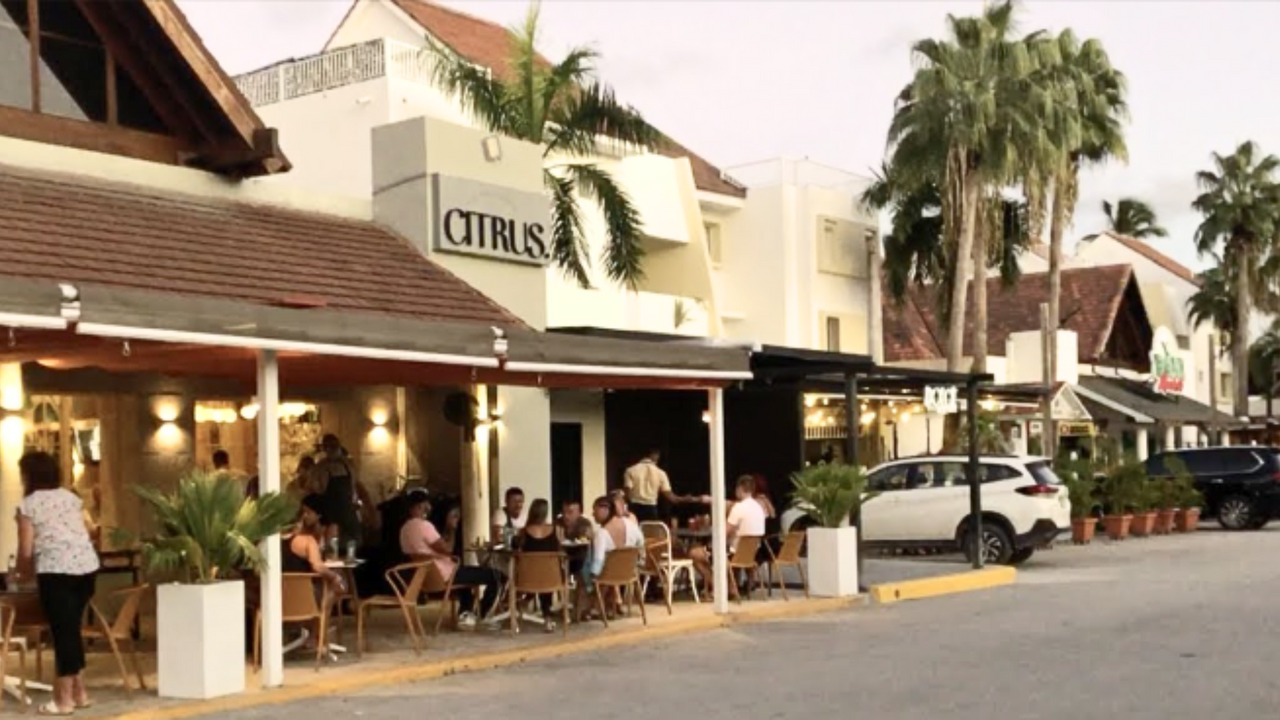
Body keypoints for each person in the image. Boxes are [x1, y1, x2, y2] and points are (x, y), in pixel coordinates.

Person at [13, 452, 99, 715]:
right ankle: (80, 693)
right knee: (70, 629)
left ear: (28, 475)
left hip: (56, 571)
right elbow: (84, 532)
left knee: (63, 634)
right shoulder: (71, 498)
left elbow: (26, 551)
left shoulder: (29, 505)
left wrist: (19, 575)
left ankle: (63, 700)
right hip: (86, 569)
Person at [400, 491, 502, 629]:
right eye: (427, 506)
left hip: (427, 577)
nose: (429, 508)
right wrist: (451, 528)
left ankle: (466, 615)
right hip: (445, 574)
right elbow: (447, 549)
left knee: (467, 579)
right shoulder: (424, 526)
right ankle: (481, 616)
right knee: (496, 576)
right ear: (421, 506)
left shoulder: (404, 529)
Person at [690, 475, 767, 598]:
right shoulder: (759, 508)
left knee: (694, 553)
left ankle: (719, 588)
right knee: (717, 551)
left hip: (733, 554)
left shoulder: (739, 508)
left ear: (740, 488)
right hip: (752, 554)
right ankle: (730, 587)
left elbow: (723, 533)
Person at [575, 495, 643, 622]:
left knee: (585, 574)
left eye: (595, 510)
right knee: (607, 571)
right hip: (629, 572)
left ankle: (587, 609)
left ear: (605, 510)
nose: (593, 514)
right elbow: (640, 542)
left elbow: (598, 563)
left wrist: (590, 574)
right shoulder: (630, 524)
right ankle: (608, 607)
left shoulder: (602, 533)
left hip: (609, 575)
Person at [513, 499, 562, 633]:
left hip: (527, 578)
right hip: (551, 577)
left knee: (526, 574)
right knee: (545, 577)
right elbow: (559, 549)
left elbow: (515, 549)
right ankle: (547, 618)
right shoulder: (555, 530)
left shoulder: (523, 532)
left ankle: (520, 604)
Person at [283, 495, 346, 595]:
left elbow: (330, 552)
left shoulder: (272, 542)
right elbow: (317, 566)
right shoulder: (307, 540)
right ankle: (325, 610)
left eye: (308, 512)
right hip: (305, 593)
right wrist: (334, 577)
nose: (305, 517)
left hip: (282, 595)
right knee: (337, 585)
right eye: (303, 514)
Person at [622, 450, 699, 522]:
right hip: (651, 510)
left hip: (634, 509)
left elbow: (627, 494)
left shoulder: (630, 470)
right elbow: (672, 498)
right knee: (651, 535)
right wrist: (684, 499)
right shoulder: (661, 473)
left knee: (633, 535)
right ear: (655, 456)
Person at [313, 434, 361, 549]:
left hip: (339, 514)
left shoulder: (324, 467)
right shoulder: (348, 465)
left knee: (344, 547)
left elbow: (318, 489)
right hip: (341, 513)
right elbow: (354, 486)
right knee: (346, 547)